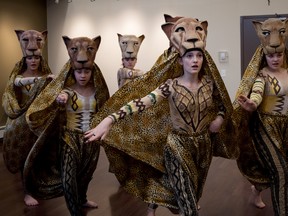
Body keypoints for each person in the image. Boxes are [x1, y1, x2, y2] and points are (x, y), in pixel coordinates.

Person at [85, 15, 236, 216]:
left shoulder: (209, 83)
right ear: (180, 59)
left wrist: (219, 118)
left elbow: (223, 105)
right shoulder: (170, 85)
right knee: (189, 205)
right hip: (177, 145)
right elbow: (139, 103)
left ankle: (159, 201)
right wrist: (108, 120)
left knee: (193, 194)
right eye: (190, 57)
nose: (195, 60)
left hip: (203, 146)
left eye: (198, 56)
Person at [26, 35, 109, 216]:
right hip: (70, 137)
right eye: (79, 72)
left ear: (92, 72)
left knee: (87, 173)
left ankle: (83, 199)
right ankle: (74, 212)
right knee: (69, 177)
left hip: (91, 138)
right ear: (73, 72)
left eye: (86, 72)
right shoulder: (68, 91)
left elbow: (105, 110)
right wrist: (60, 98)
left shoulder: (98, 91)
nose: (83, 75)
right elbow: (60, 96)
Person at [234, 17, 288, 215]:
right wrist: (252, 103)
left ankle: (256, 190)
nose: (275, 59)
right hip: (265, 127)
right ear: (264, 56)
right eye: (271, 56)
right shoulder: (262, 76)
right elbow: (256, 92)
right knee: (281, 171)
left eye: (279, 55)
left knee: (278, 166)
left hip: (286, 128)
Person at [2, 29, 54, 206]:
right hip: (21, 123)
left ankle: (38, 185)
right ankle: (26, 191)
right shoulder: (19, 76)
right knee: (24, 157)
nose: (33, 60)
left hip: (38, 123)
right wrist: (42, 80)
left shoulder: (46, 75)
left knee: (38, 157)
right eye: (30, 58)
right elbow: (15, 83)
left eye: (36, 58)